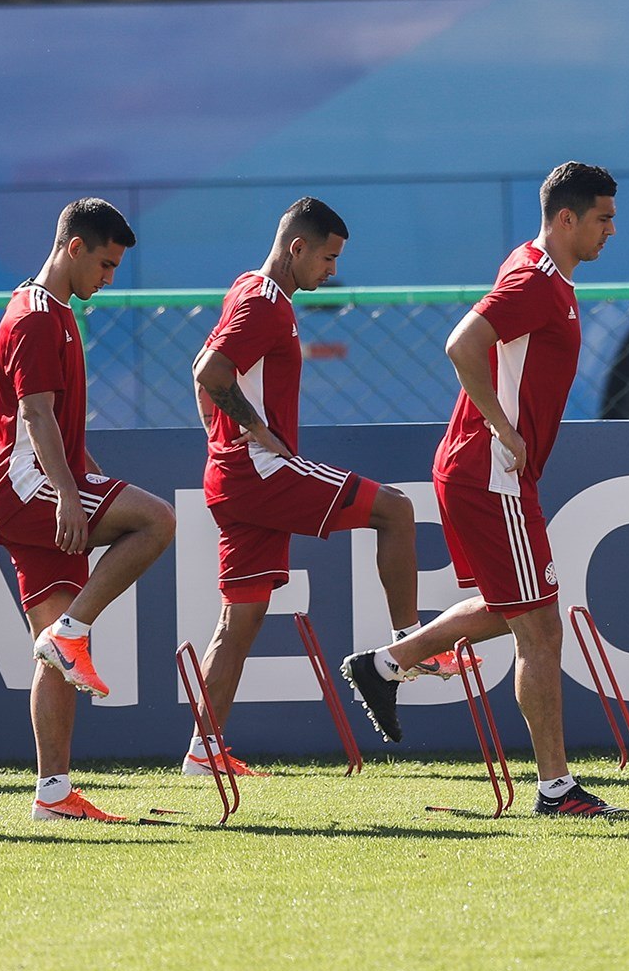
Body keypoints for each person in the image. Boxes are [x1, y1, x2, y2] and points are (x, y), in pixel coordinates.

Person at [341, 162, 628, 818]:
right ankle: (556, 789)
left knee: (515, 608)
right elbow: (461, 342)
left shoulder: (539, 267)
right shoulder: (534, 277)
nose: (613, 230)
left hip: (487, 471)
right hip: (490, 473)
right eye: (603, 218)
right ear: (566, 219)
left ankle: (387, 664)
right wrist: (504, 428)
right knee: (541, 627)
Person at [189, 198, 444, 778]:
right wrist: (253, 431)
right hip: (260, 471)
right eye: (327, 258)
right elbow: (211, 371)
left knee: (241, 619)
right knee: (396, 511)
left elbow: (200, 366)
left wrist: (221, 437)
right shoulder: (264, 302)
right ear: (297, 247)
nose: (332, 271)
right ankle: (411, 644)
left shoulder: (246, 288)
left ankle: (204, 751)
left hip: (235, 474)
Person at [0, 198, 176, 821]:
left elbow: (58, 422)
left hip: (35, 483)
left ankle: (52, 794)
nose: (109, 278)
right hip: (29, 486)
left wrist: (80, 472)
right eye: (105, 264)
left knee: (52, 650)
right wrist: (70, 492)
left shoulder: (56, 311)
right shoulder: (38, 316)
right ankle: (73, 634)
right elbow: (35, 414)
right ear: (73, 248)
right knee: (157, 521)